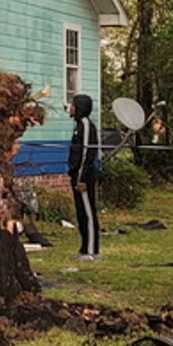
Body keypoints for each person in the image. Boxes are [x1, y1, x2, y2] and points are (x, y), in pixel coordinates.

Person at [67, 94, 100, 260]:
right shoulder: (78, 125)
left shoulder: (86, 125)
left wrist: (81, 179)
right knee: (80, 213)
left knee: (88, 213)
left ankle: (92, 250)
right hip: (76, 175)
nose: (70, 107)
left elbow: (87, 153)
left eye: (73, 105)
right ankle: (84, 247)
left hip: (84, 177)